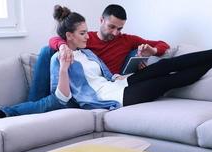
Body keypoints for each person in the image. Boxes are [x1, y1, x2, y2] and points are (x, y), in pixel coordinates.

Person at [0, 5, 212, 118]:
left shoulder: (88, 51)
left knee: (164, 65)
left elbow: (103, 73)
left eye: (119, 28)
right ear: (72, 35)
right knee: (169, 80)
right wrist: (64, 60)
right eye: (82, 33)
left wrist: (123, 72)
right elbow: (63, 97)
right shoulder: (64, 55)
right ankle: (4, 113)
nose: (87, 36)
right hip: (112, 99)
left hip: (117, 84)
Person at [29, 4, 169, 101]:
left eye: (119, 28)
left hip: (110, 84)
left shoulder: (127, 40)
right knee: (47, 51)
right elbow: (54, 39)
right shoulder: (85, 38)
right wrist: (62, 46)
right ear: (101, 20)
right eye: (111, 27)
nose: (115, 33)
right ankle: (35, 102)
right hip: (84, 86)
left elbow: (164, 45)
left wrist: (153, 50)